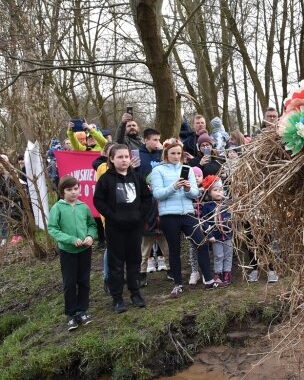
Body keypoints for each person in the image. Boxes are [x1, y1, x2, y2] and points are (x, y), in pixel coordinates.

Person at [151, 139, 225, 297]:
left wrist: (187, 188)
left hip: (187, 213)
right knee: (174, 250)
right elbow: (157, 194)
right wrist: (174, 187)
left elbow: (195, 194)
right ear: (166, 154)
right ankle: (178, 284)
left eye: (178, 153)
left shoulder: (188, 169)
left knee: (201, 242)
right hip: (169, 216)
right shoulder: (158, 170)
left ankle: (209, 279)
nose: (176, 156)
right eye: (173, 153)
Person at [93, 144, 152, 313]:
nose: (124, 160)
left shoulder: (137, 177)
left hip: (135, 227)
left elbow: (147, 198)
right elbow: (98, 200)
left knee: (134, 261)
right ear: (112, 159)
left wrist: (140, 216)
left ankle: (135, 293)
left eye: (126, 156)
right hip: (115, 228)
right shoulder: (106, 179)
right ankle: (117, 298)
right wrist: (112, 215)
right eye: (120, 157)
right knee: (116, 264)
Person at [47, 176, 98, 331]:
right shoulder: (57, 208)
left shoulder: (84, 206)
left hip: (85, 250)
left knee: (84, 281)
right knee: (70, 283)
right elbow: (53, 228)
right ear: (62, 192)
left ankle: (82, 311)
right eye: (69, 190)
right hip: (68, 251)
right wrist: (70, 239)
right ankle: (71, 315)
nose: (73, 192)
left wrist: (90, 236)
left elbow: (92, 225)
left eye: (76, 188)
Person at [201, 178, 234, 284]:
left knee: (228, 254)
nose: (219, 192)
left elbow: (233, 219)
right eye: (215, 190)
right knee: (218, 255)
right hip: (216, 236)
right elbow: (204, 222)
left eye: (220, 189)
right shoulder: (207, 206)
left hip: (228, 235)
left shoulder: (227, 204)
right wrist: (209, 235)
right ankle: (218, 273)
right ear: (209, 193)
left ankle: (227, 273)